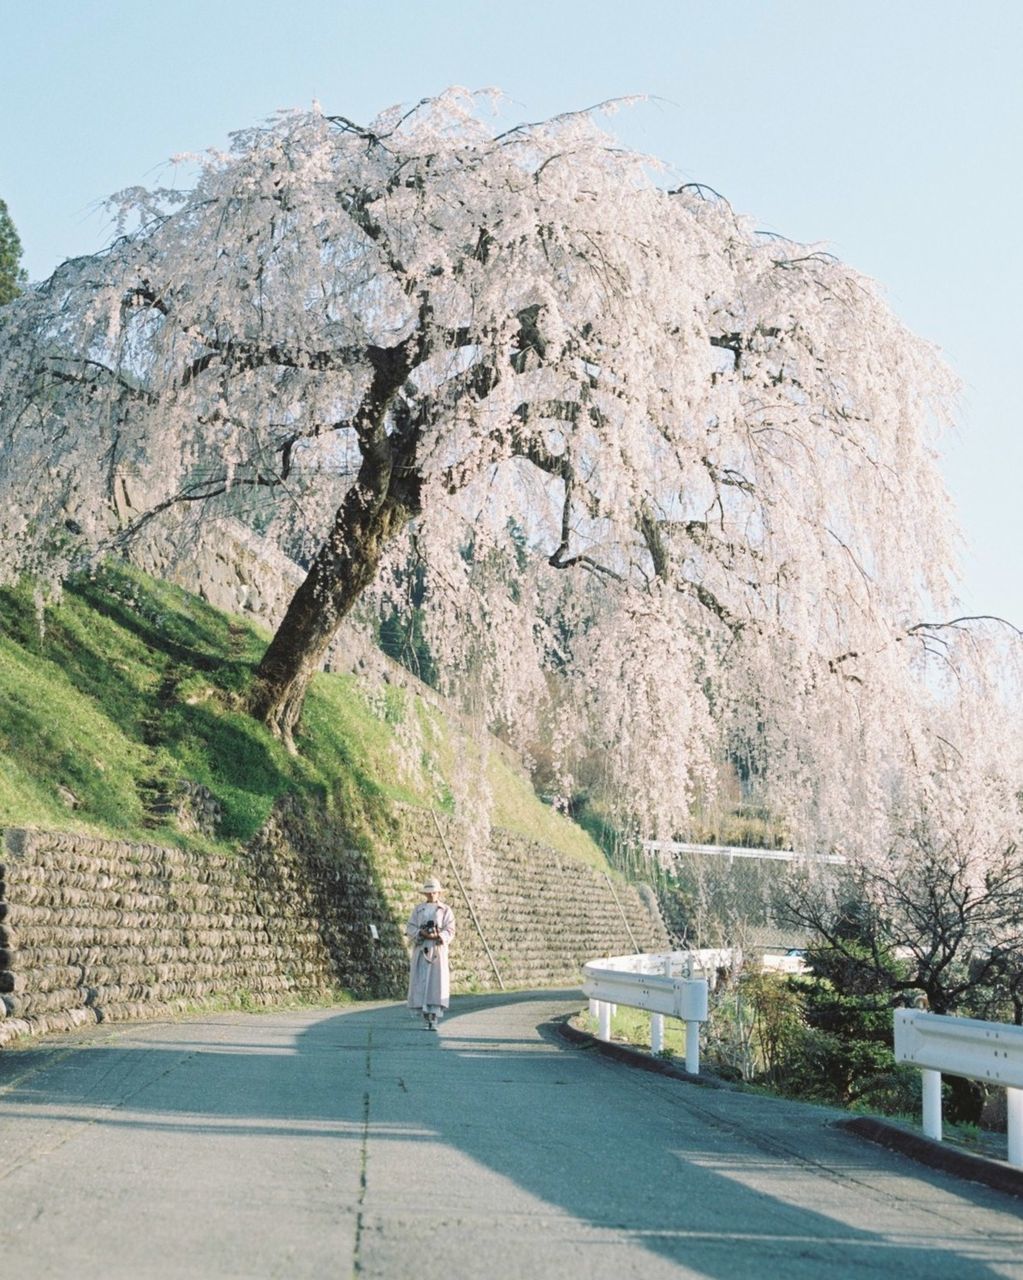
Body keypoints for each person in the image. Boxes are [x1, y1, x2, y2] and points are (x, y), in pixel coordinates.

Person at [405, 877, 455, 1031]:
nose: (431, 894)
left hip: (437, 950)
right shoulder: (418, 909)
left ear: (438, 892)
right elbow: (410, 928)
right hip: (422, 948)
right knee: (421, 981)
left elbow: (450, 929)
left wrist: (438, 936)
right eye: (429, 892)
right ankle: (426, 1018)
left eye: (434, 892)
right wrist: (421, 933)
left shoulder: (445, 910)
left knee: (436, 982)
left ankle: (434, 1018)